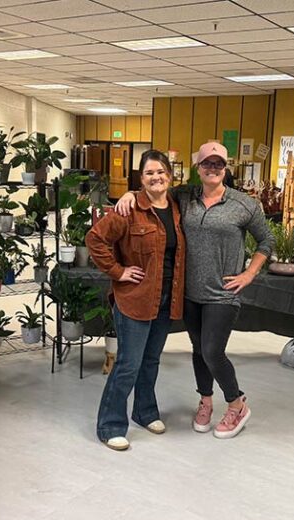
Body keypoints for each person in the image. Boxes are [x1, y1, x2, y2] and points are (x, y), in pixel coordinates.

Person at [116, 142, 274, 439]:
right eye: (207, 164)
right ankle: (205, 401)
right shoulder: (184, 196)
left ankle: (237, 404)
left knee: (212, 351)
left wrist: (249, 274)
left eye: (218, 164)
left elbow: (266, 240)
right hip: (189, 293)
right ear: (197, 168)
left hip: (222, 294)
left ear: (226, 168)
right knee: (199, 350)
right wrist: (130, 194)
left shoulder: (244, 204)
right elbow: (154, 191)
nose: (213, 168)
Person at [86, 150, 185, 451]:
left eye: (161, 172)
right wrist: (118, 271)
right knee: (128, 364)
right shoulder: (129, 209)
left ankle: (145, 412)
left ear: (170, 175)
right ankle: (110, 425)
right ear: (141, 179)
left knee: (151, 360)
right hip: (135, 298)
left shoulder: (177, 207)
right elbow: (95, 239)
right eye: (149, 173)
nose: (156, 177)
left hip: (166, 297)